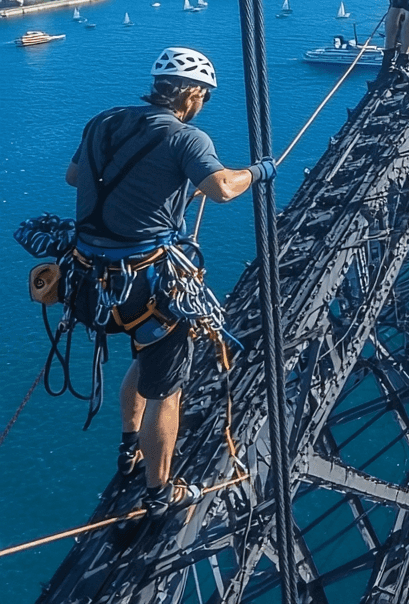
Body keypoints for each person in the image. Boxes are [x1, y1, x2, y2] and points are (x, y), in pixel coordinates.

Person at [64, 47, 275, 519]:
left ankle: (127, 448)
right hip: (148, 286)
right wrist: (259, 172)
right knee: (166, 388)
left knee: (142, 358)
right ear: (195, 93)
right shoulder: (188, 138)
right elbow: (221, 189)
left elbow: (74, 176)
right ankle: (160, 492)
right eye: (205, 96)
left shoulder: (103, 120)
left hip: (91, 283)